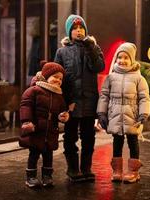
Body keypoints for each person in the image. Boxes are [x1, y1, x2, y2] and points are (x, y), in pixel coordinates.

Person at [54, 14, 105, 182]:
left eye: (81, 28)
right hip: (71, 103)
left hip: (89, 101)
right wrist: (64, 103)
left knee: (89, 137)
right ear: (69, 32)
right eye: (74, 28)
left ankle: (86, 169)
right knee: (70, 137)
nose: (78, 31)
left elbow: (99, 66)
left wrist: (90, 47)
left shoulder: (93, 48)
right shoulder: (62, 51)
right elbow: (57, 77)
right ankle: (73, 169)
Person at [97, 42, 150, 183]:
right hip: (115, 115)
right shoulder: (111, 77)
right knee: (117, 141)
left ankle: (133, 171)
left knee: (133, 141)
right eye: (119, 57)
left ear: (131, 60)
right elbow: (104, 96)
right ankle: (117, 170)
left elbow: (144, 98)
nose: (122, 60)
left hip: (132, 116)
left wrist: (143, 113)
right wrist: (102, 113)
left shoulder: (139, 79)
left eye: (126, 57)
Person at [19, 62, 69, 188]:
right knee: (34, 154)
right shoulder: (34, 90)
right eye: (55, 77)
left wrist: (63, 116)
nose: (58, 80)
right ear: (46, 76)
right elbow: (26, 105)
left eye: (60, 78)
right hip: (37, 129)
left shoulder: (58, 95)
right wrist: (27, 121)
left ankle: (47, 176)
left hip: (51, 130)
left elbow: (62, 110)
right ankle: (31, 177)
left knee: (48, 155)